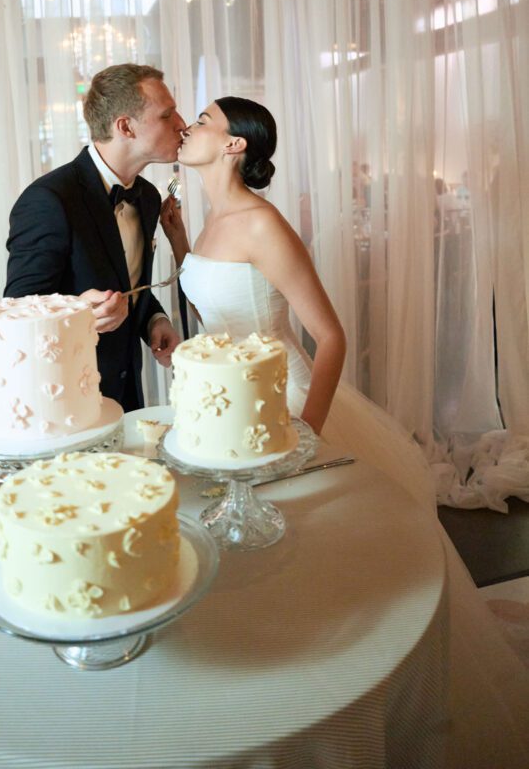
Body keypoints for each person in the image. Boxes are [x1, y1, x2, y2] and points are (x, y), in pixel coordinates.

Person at [160, 95, 529, 768]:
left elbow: (329, 336)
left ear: (236, 145)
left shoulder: (263, 224)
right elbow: (215, 299)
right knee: (251, 549)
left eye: (204, 121)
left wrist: (306, 434)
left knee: (315, 548)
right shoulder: (210, 218)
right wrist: (180, 239)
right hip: (225, 404)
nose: (188, 127)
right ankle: (274, 682)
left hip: (288, 404)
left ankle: (344, 700)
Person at [5, 63, 184, 411]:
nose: (181, 124)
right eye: (167, 115)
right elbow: (17, 310)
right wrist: (76, 311)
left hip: (128, 392)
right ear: (125, 127)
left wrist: (154, 320)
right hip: (64, 397)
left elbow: (127, 280)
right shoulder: (48, 200)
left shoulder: (147, 198)